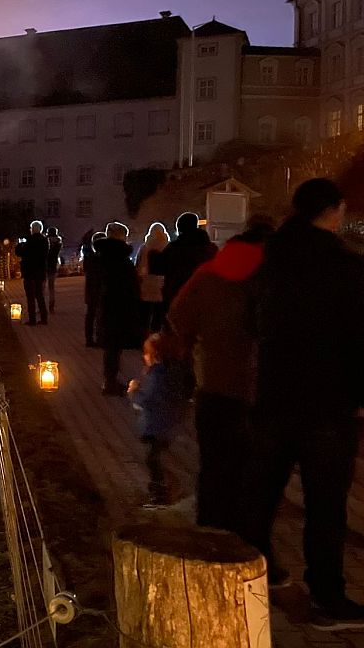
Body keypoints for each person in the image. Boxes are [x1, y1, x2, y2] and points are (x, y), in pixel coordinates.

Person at [241, 179, 364, 631]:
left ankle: (251, 577)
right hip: (328, 403)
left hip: (273, 396)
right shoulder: (348, 267)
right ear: (336, 211)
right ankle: (327, 598)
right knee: (325, 506)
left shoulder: (270, 262)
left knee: (262, 495)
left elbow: (251, 322)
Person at [167, 216, 274, 532]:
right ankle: (249, 541)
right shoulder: (273, 275)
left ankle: (211, 533)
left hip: (213, 382)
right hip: (261, 387)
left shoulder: (209, 274)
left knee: (214, 464)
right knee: (256, 469)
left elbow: (178, 316)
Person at [128, 331, 194, 506]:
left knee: (152, 459)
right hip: (165, 425)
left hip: (157, 426)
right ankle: (166, 487)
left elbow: (149, 399)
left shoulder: (158, 375)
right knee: (155, 457)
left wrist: (134, 392)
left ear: (155, 355)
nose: (144, 357)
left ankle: (160, 493)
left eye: (147, 353)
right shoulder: (170, 373)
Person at [96, 222, 142, 395]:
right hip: (120, 306)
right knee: (114, 346)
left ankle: (110, 380)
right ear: (121, 237)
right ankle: (110, 383)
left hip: (106, 304)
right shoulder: (121, 259)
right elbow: (129, 285)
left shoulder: (101, 256)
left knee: (111, 346)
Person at [158, 212, 218, 311]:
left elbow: (161, 268)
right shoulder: (210, 248)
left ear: (180, 227)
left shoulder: (174, 248)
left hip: (176, 293)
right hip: (203, 293)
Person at [14, 220, 49, 325]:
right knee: (39, 295)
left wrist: (20, 245)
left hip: (29, 271)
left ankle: (32, 319)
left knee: (30, 296)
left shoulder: (29, 241)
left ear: (32, 229)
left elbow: (20, 252)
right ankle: (44, 318)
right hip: (40, 271)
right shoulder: (44, 241)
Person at [136, 222, 169, 332]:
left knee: (144, 314)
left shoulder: (144, 248)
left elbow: (138, 265)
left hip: (146, 283)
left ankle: (143, 336)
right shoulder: (167, 248)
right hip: (161, 284)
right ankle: (155, 336)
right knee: (158, 314)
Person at [81, 230, 105, 347]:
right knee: (99, 315)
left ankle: (89, 339)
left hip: (91, 290)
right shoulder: (103, 259)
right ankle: (99, 337)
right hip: (100, 290)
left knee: (91, 315)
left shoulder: (89, 258)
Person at [45, 226, 63, 313]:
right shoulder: (58, 243)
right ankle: (51, 306)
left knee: (42, 287)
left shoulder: (45, 241)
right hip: (53, 265)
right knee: (51, 287)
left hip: (45, 265)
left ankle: (43, 306)